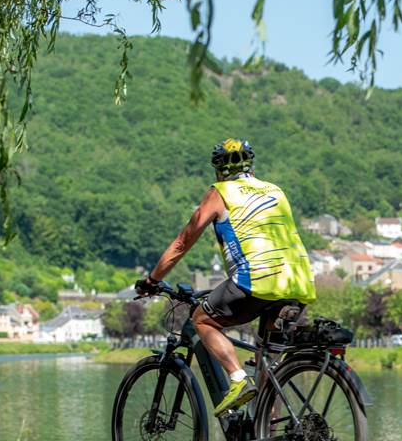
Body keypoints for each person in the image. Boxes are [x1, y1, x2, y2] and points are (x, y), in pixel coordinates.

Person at [135, 139, 316, 415]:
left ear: (219, 170)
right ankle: (266, 438)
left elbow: (183, 241)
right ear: (250, 165)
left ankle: (237, 378)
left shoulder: (220, 192)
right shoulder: (275, 190)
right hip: (297, 282)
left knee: (201, 318)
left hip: (255, 280)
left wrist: (152, 280)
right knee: (268, 360)